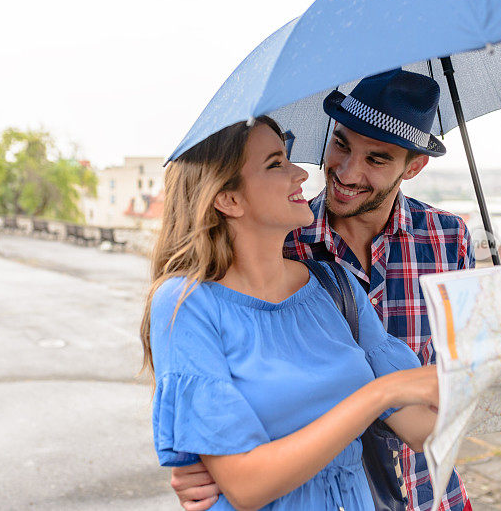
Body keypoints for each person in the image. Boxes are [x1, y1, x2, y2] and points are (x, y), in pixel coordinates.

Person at [168, 69, 501, 511]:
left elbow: (459, 377)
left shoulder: (445, 237)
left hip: (428, 492)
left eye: (376, 159)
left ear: (413, 166)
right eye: (340, 143)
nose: (344, 170)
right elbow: (208, 366)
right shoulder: (280, 240)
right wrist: (201, 455)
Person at [141, 114, 451, 510]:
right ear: (228, 199)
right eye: (276, 164)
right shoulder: (187, 304)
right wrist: (379, 394)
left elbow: (423, 430)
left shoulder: (333, 285)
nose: (301, 174)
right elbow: (246, 486)